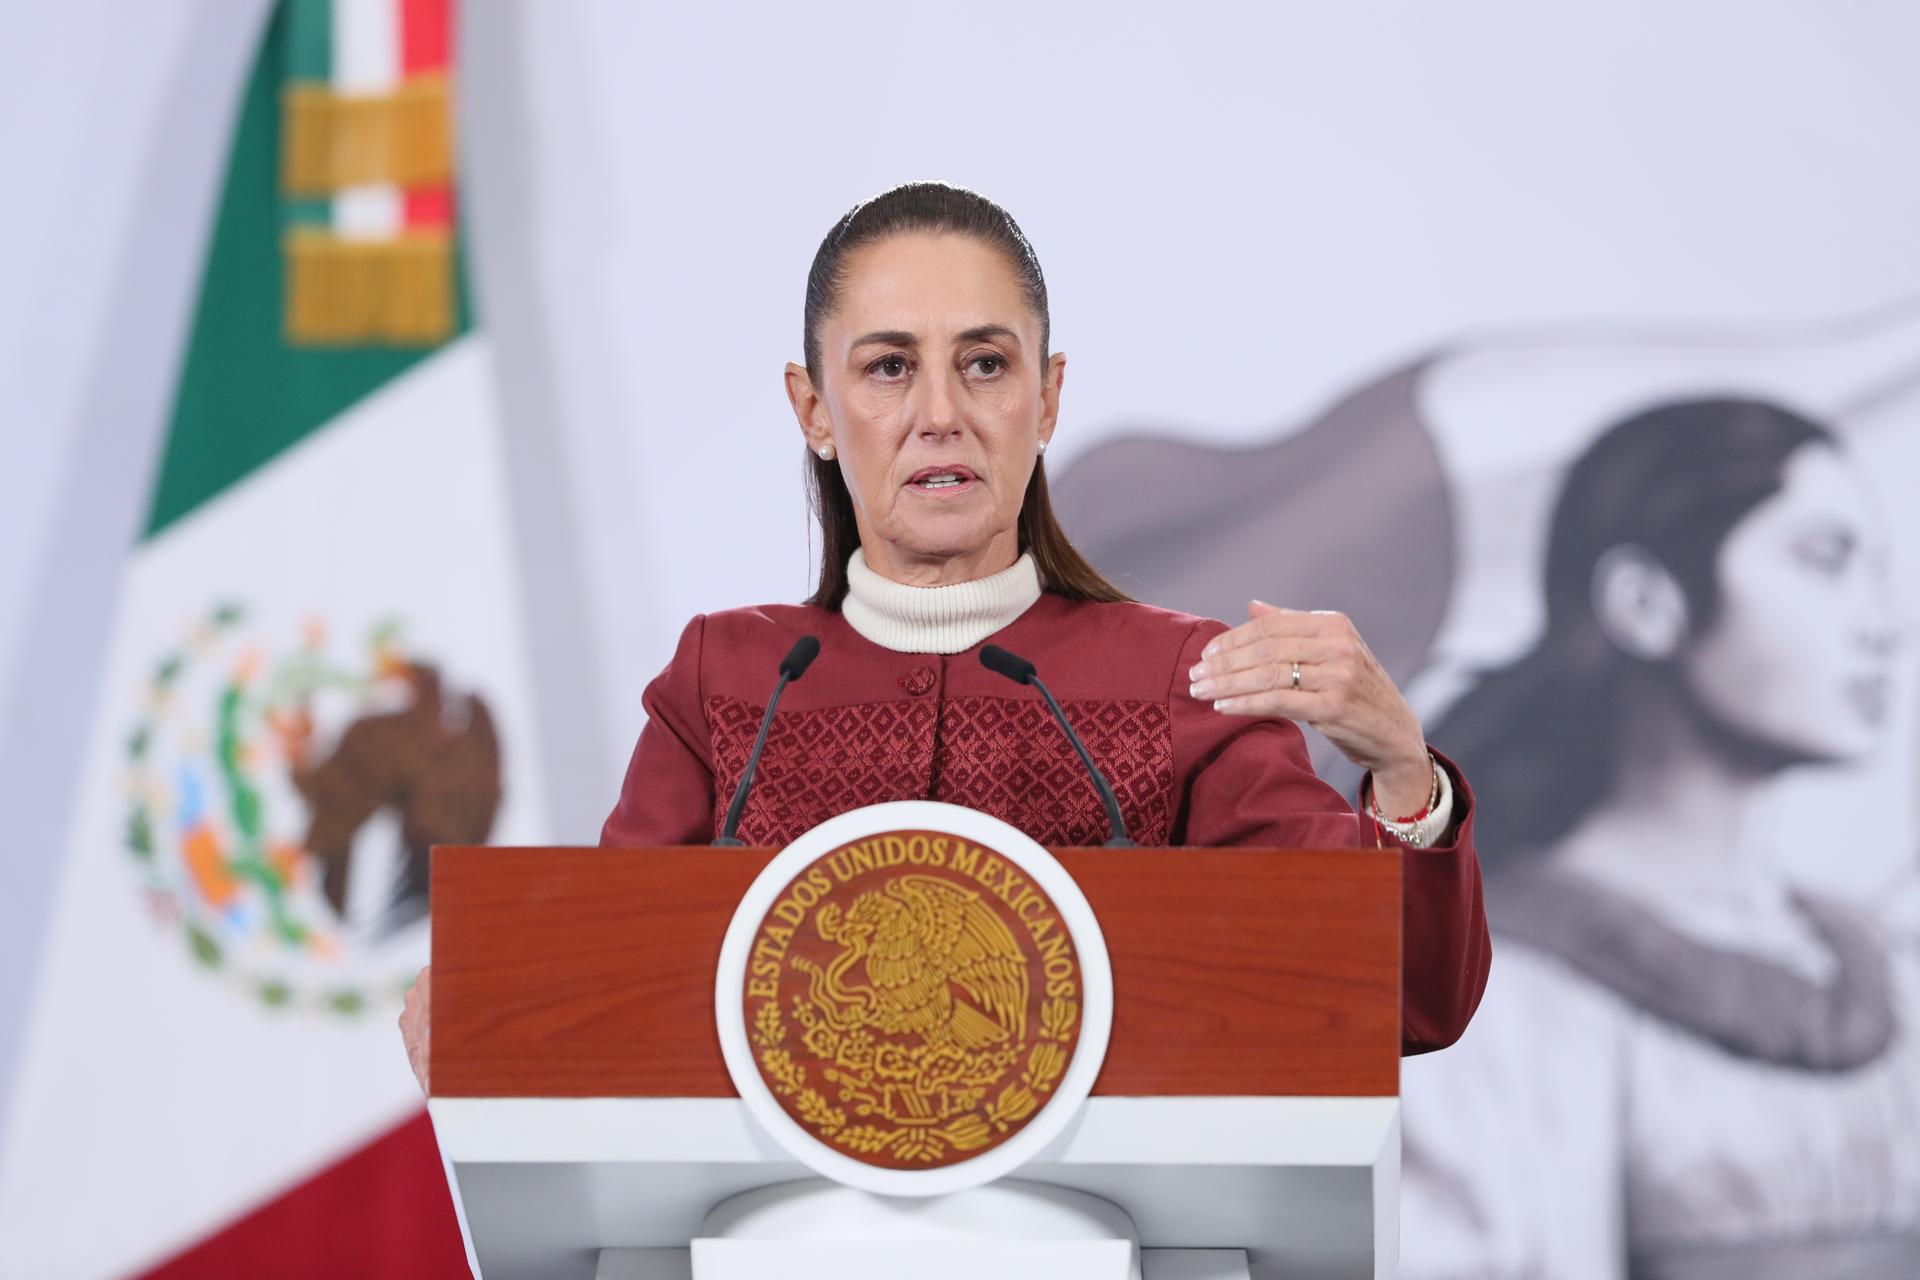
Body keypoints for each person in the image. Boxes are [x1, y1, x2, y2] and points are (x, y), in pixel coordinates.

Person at [400, 181, 1491, 1093]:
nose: (940, 414)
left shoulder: (1181, 679)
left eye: (985, 363)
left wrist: (1402, 773)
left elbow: (1394, 998)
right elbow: (610, 986)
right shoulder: (730, 683)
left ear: (1048, 395)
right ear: (814, 408)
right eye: (886, 367)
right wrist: (492, 998)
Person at [1399, 398, 1916, 1278]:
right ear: (1646, 601)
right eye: (1824, 560)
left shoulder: (1886, 964)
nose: (1881, 624)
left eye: (1878, 570)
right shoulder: (1493, 993)